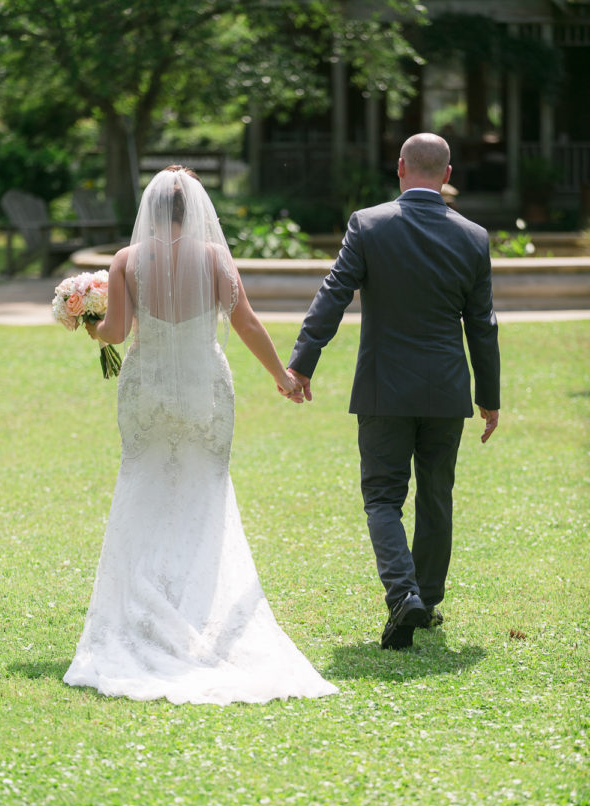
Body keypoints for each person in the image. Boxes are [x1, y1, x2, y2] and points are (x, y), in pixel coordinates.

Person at [63, 166, 336, 704]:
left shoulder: (127, 261)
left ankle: (144, 607)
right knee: (206, 496)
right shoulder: (213, 258)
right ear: (192, 213)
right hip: (205, 393)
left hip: (147, 392)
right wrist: (283, 375)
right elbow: (247, 322)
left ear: (152, 211)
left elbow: (116, 333)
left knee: (143, 485)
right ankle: (203, 609)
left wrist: (85, 321)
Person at [287, 133, 500, 651]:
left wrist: (303, 363)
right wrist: (489, 395)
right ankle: (424, 598)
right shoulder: (474, 236)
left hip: (384, 386)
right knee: (436, 496)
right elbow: (483, 324)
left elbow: (333, 295)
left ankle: (405, 596)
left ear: (400, 167)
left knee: (383, 497)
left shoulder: (368, 224)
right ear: (447, 175)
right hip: (447, 388)